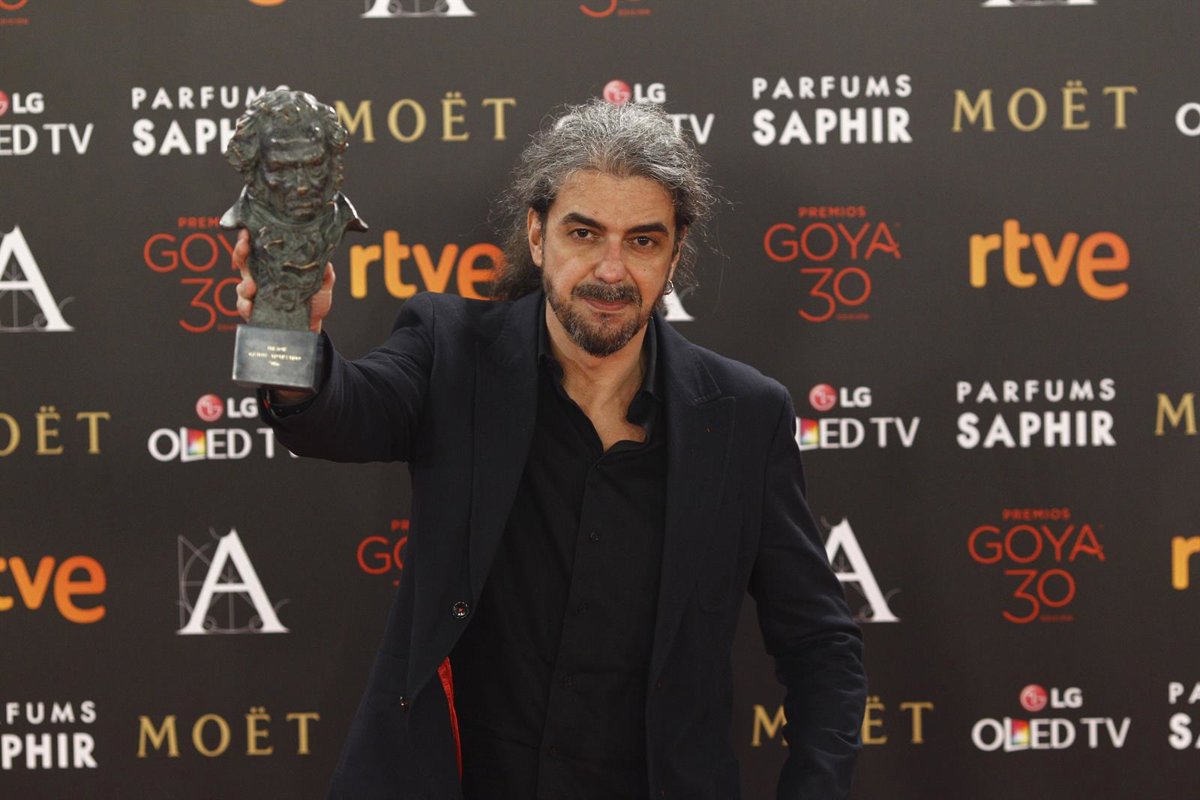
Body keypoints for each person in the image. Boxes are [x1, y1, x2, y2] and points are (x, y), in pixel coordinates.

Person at [235, 99, 867, 800]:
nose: (611, 270)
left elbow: (820, 645)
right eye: (584, 233)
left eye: (642, 241)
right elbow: (331, 417)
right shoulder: (451, 351)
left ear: (675, 253)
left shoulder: (745, 416)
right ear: (537, 235)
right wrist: (284, 330)